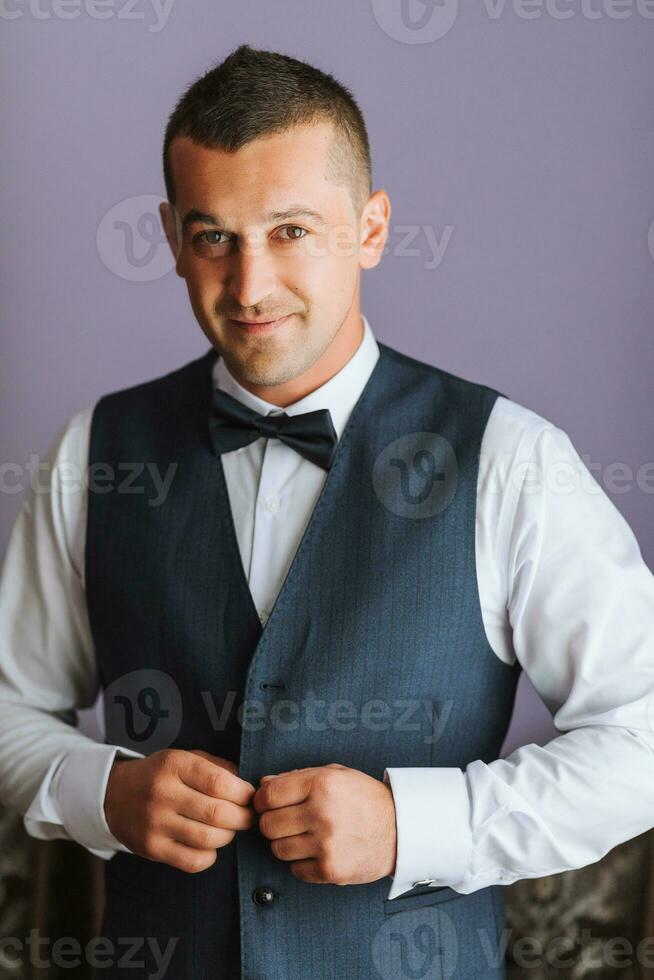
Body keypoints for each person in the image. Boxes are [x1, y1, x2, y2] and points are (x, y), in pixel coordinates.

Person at [1, 43, 653, 980]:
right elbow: (9, 707)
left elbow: (644, 735)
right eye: (212, 235)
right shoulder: (92, 453)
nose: (251, 284)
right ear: (172, 236)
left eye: (292, 231)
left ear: (373, 227)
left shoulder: (511, 458)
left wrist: (416, 825)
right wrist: (101, 792)